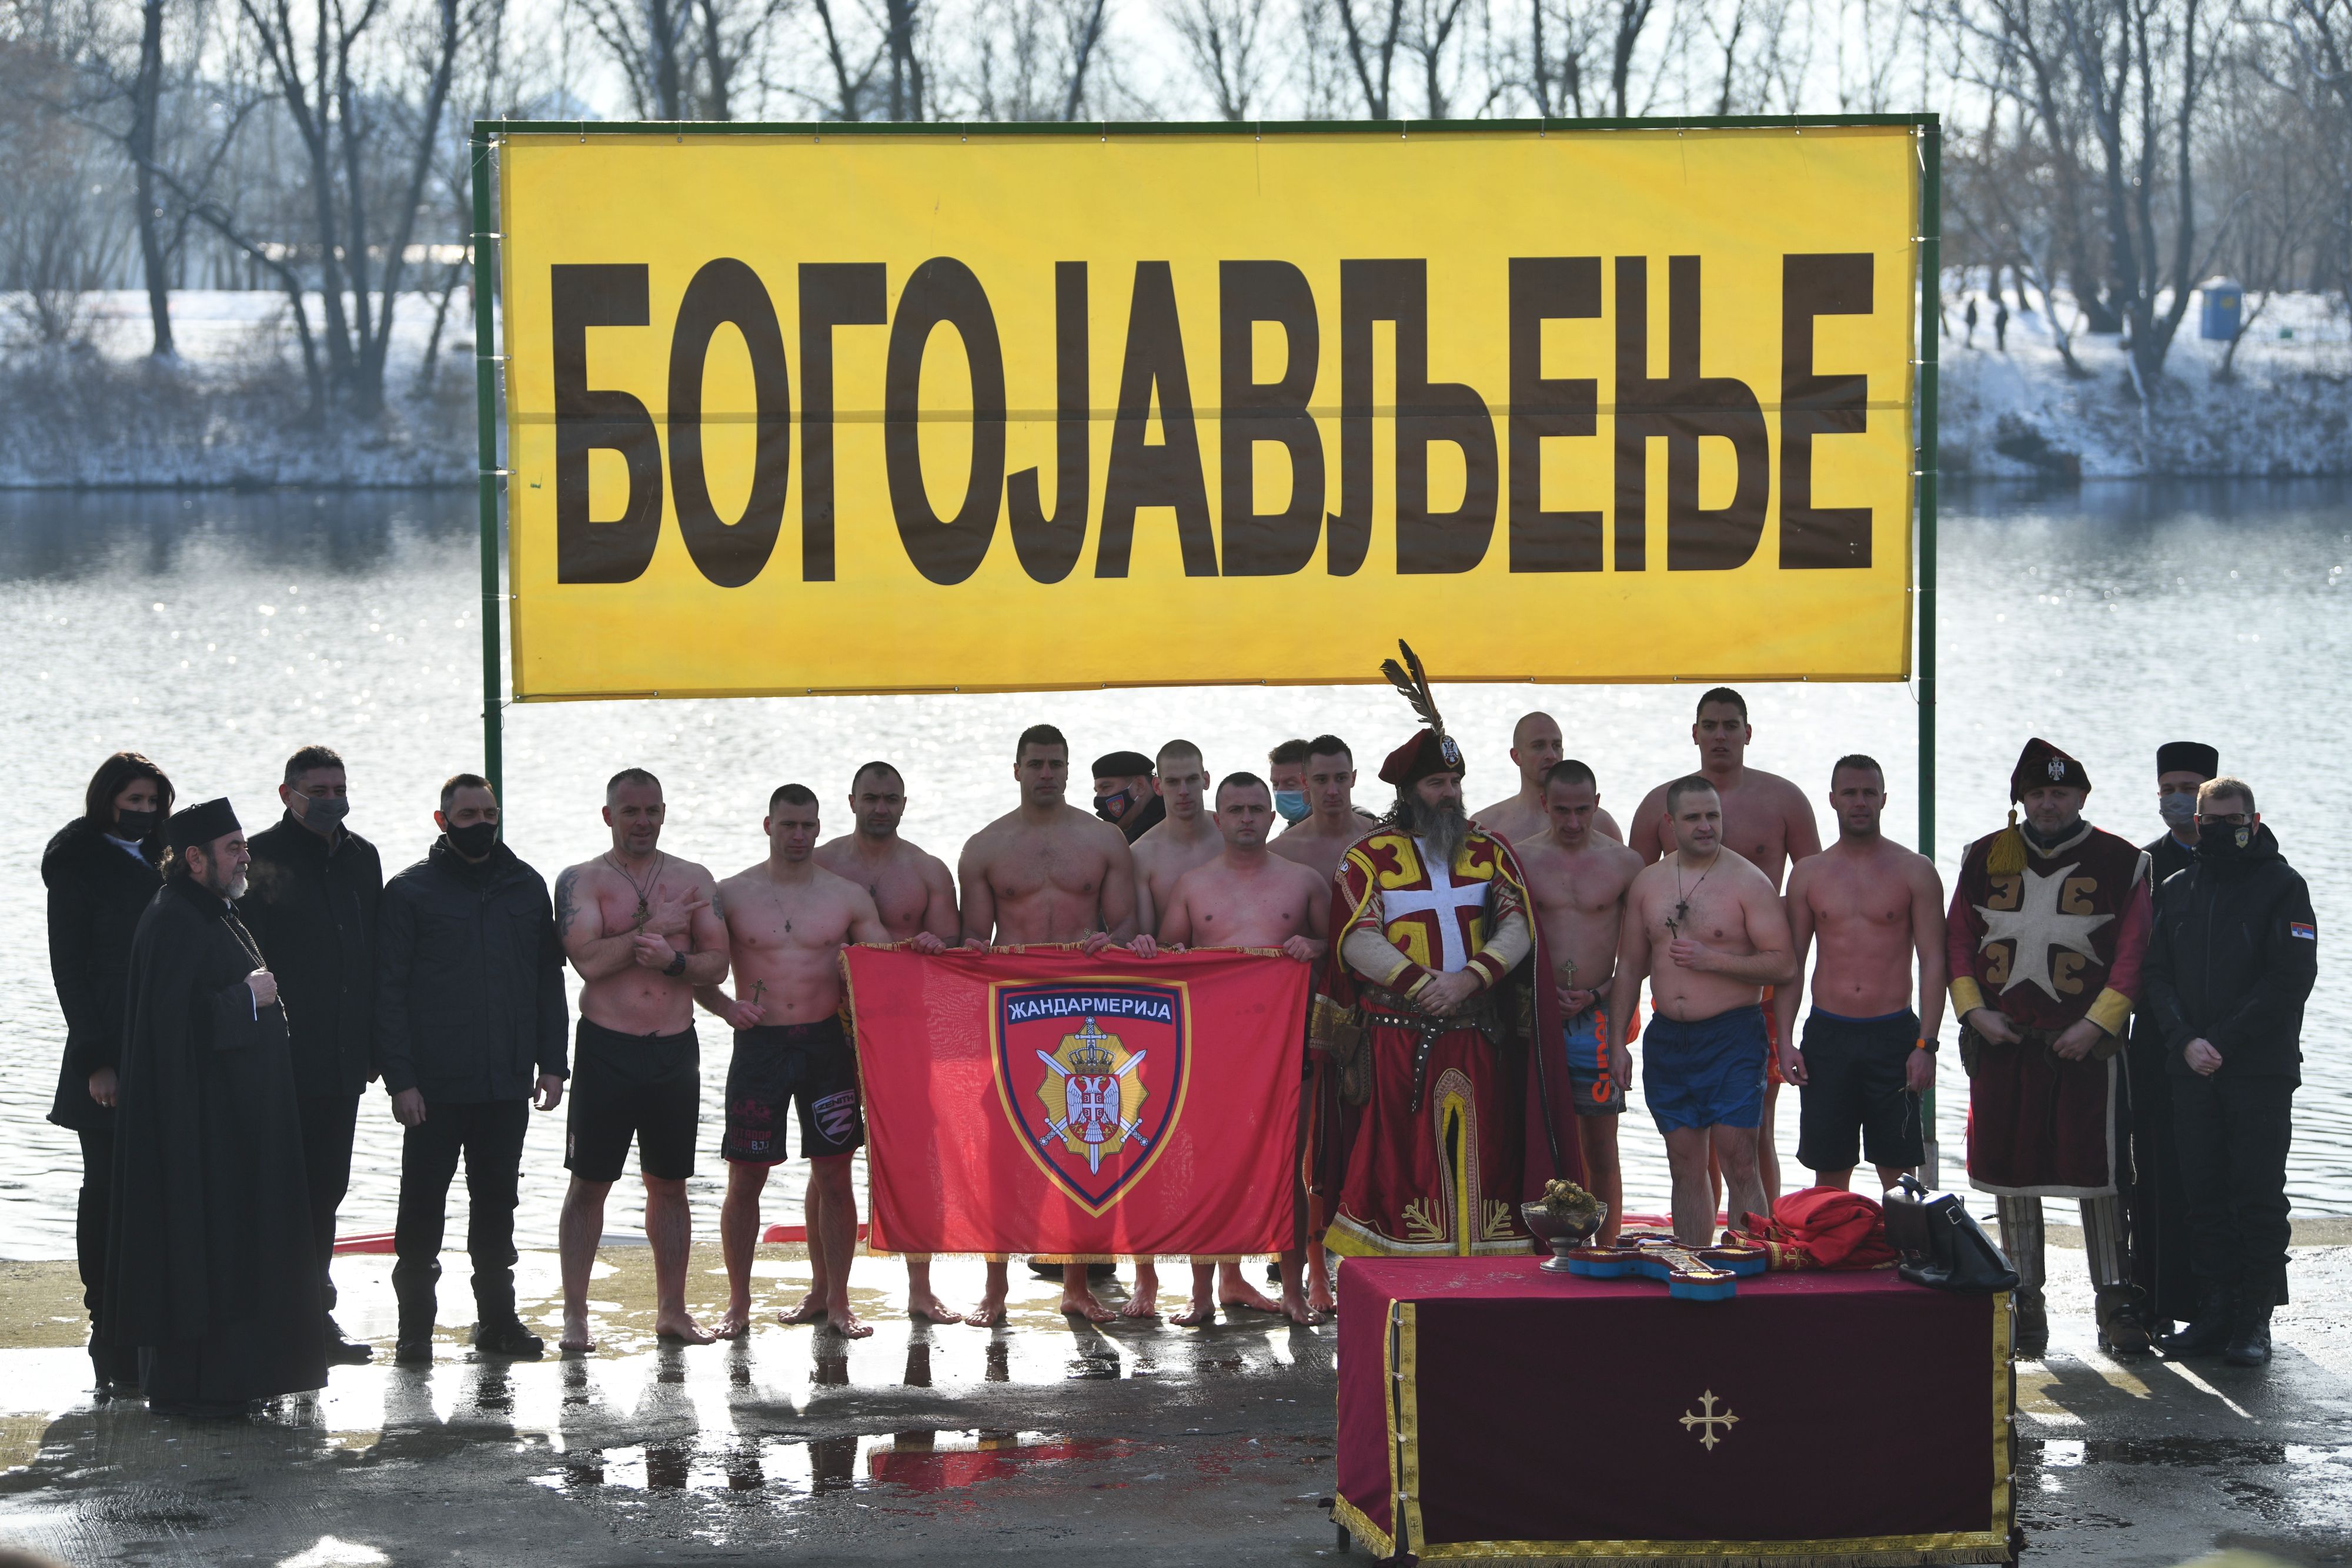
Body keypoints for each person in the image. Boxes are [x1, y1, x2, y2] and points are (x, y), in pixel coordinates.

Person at [1318, 648, 1557, 1259]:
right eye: (1436, 784)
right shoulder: (1369, 858)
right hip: (1398, 1036)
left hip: (1478, 1031)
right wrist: (1423, 984)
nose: (1449, 794)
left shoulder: (1488, 852)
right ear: (1409, 791)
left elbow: (1518, 924)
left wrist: (1468, 980)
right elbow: (1356, 937)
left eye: (1454, 783)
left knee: (1489, 1155)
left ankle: (1487, 1280)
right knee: (1402, 1164)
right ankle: (1400, 1279)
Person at [108, 799, 328, 1416]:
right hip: (199, 1129)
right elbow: (170, 1027)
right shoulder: (173, 918)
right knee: (206, 1251)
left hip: (230, 1120)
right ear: (195, 858)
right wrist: (248, 997)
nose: (246, 857)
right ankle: (201, 1390)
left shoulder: (211, 911)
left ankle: (239, 1381)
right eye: (233, 848)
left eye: (244, 845)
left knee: (238, 1248)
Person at [1947, 738, 2152, 1359]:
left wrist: (2097, 1024)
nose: (2048, 804)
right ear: (2022, 799)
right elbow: (1959, 940)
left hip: (2086, 1049)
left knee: (2100, 1175)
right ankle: (2023, 1297)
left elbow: (2134, 954)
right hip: (2004, 1043)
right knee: (2012, 1173)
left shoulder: (2121, 861)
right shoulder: (1985, 855)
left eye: (2059, 792)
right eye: (2037, 793)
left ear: (2081, 796)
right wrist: (1974, 1012)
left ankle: (2115, 1299)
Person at [948, 724, 1142, 1322]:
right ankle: (995, 1288)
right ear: (1017, 770)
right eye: (1035, 764)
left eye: (1056, 764)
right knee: (1004, 1152)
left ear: (1068, 769)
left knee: (1084, 1142)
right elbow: (975, 940)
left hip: (1086, 1009)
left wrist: (1115, 944)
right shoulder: (985, 847)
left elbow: (1126, 928)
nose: (1046, 774)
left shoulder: (1103, 840)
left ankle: (1075, 1285)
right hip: (1015, 1011)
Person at [376, 774, 568, 1364]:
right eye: (467, 816)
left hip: (505, 1081)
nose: (481, 824)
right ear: (443, 821)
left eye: (489, 814)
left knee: (497, 1204)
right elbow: (388, 993)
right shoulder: (409, 891)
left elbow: (547, 980)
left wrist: (553, 1064)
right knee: (421, 1206)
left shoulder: (526, 885)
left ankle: (497, 1322)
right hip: (432, 1087)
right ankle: (415, 1331)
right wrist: (401, 1080)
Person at [700, 784, 890, 1340]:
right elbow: (699, 969)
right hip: (758, 1045)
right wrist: (725, 1008)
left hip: (824, 1044)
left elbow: (886, 966)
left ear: (819, 827)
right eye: (788, 825)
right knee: (746, 1176)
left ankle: (837, 1300)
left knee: (834, 1173)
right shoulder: (732, 893)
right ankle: (738, 1302)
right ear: (769, 826)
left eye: (808, 825)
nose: (799, 835)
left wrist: (918, 950)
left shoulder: (845, 896)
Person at [552, 769, 729, 1352]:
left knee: (670, 1184)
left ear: (664, 812)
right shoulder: (582, 880)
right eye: (630, 811)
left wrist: (674, 960)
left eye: (652, 810)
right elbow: (588, 961)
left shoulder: (694, 879)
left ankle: (672, 1310)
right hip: (608, 1049)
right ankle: (576, 1315)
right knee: (589, 1183)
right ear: (609, 816)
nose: (643, 821)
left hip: (674, 1049)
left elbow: (718, 964)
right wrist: (652, 931)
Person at [2143, 778, 2317, 1369]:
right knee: (2203, 1194)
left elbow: (2290, 979)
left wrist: (2221, 1040)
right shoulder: (2176, 889)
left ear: (2254, 821)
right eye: (2211, 822)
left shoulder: (2283, 886)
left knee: (2257, 1196)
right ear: (2197, 822)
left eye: (2233, 821)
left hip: (2259, 1071)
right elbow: (2155, 976)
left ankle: (2253, 1320)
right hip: (2191, 1067)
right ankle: (2214, 1311)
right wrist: (2185, 1040)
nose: (2222, 831)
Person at [1148, 773, 1331, 1325]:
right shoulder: (1193, 885)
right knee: (1209, 1164)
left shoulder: (1303, 882)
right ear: (1218, 818)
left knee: (1289, 1167)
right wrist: (1155, 949)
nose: (1247, 818)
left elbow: (1340, 952)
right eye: (1236, 809)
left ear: (1272, 817)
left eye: (1256, 809)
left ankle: (1293, 1290)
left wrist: (1314, 944)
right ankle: (1202, 1292)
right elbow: (1167, 962)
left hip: (1285, 1046)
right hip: (1213, 1049)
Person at [1630, 688, 1820, 1208]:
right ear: (1694, 733)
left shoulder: (1783, 800)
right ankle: (1705, 1239)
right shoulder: (1660, 803)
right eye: (1710, 725)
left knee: (1753, 1131)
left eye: (1730, 725)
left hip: (1758, 983)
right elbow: (1634, 896)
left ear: (1747, 733)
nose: (1720, 735)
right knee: (1693, 1142)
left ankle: (1763, 1237)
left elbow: (1813, 892)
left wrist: (1785, 969)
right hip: (1683, 989)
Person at [238, 745, 380, 1366]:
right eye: (317, 791)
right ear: (287, 794)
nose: (330, 800)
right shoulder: (257, 857)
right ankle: (266, 1320)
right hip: (278, 1058)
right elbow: (245, 957)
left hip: (344, 1057)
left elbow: (372, 956)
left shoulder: (362, 856)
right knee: (274, 1191)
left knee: (327, 1189)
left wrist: (375, 1046)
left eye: (338, 789)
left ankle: (314, 1318)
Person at [1608, 777, 1796, 1246]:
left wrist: (1713, 959)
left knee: (1739, 1159)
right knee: (1684, 1164)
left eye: (1713, 815)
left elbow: (1783, 963)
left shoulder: (1748, 882)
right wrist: (1616, 1043)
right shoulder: (1649, 883)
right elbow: (1629, 966)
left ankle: (1751, 1262)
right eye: (1693, 817)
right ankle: (1693, 1260)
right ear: (1670, 823)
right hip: (1669, 1038)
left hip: (1733, 1035)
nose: (1706, 825)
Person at [813, 760, 965, 1324]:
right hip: (831, 1023)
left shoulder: (926, 870)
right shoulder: (822, 863)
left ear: (904, 803)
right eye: (872, 797)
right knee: (829, 1158)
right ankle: (824, 1290)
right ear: (852, 800)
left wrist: (933, 946)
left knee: (915, 1155)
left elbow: (953, 950)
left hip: (905, 1029)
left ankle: (920, 1289)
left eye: (891, 799)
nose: (881, 807)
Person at [45, 751, 172, 1395]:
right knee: (105, 1192)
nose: (144, 813)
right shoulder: (77, 863)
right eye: (133, 802)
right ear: (107, 802)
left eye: (153, 803)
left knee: (159, 1191)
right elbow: (69, 970)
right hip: (104, 1055)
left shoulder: (166, 857)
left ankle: (153, 1322)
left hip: (165, 1052)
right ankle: (106, 1328)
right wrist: (97, 1061)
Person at [1773, 756, 1947, 1193]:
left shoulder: (1915, 871)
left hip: (1893, 1035)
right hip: (1828, 1035)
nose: (1860, 802)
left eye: (1869, 793)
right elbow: (1792, 964)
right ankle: (1837, 1238)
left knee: (1900, 1176)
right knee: (1829, 1173)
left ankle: (1905, 1240)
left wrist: (1926, 1045)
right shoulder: (1809, 874)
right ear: (1833, 799)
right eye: (1850, 793)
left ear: (1884, 799)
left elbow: (1934, 962)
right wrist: (1785, 1040)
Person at [1514, 760, 1644, 1245]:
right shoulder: (1522, 859)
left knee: (1601, 1145)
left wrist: (1597, 995)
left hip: (1597, 1018)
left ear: (1597, 804)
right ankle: (1547, 1246)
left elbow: (1640, 953)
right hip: (1538, 1014)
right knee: (1537, 1138)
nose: (1572, 822)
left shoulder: (1624, 863)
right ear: (1544, 804)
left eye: (1582, 810)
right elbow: (1501, 938)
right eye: (1562, 810)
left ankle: (1605, 1250)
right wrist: (1536, 994)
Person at [2129, 740, 2219, 1340]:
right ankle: (2153, 1300)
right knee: (2154, 1172)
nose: (2177, 799)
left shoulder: (2240, 862)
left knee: (2216, 1175)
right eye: (2168, 789)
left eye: (2189, 789)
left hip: (2221, 1042)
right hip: (2157, 1041)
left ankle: (2220, 1304)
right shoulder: (2143, 864)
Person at [1471, 713, 1623, 848]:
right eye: (1539, 746)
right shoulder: (1488, 825)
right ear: (1516, 756)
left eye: (1556, 746)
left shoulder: (1601, 823)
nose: (1551, 755)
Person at [1132, 740, 1223, 947]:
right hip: (1172, 964)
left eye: (1191, 779)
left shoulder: (1232, 836)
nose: (1183, 791)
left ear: (1206, 780)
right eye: (1173, 782)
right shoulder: (1141, 856)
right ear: (1158, 786)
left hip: (1235, 961)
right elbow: (1143, 939)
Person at [1091, 750, 1164, 843]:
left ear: (1140, 786)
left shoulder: (1168, 830)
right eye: (1097, 791)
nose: (1098, 799)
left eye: (1106, 787)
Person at [1267, 738, 1314, 828]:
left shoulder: (1338, 832)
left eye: (1291, 784)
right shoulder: (1287, 832)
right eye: (1275, 784)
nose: (1280, 791)